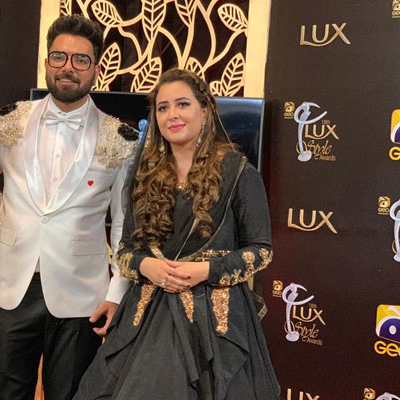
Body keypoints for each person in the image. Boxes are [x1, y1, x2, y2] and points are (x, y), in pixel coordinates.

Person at [73, 68, 280, 400]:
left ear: (205, 110)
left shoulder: (238, 171)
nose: (172, 115)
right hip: (147, 315)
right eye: (162, 107)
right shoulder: (144, 175)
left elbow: (260, 250)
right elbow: (126, 251)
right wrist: (147, 266)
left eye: (182, 104)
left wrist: (206, 270)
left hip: (213, 323)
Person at [0, 15, 139, 400]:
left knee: (70, 393)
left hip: (82, 293)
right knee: (8, 391)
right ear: (47, 62)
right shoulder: (9, 120)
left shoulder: (121, 138)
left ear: (96, 69)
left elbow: (124, 224)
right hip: (11, 285)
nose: (68, 67)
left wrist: (117, 291)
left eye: (81, 60)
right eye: (59, 57)